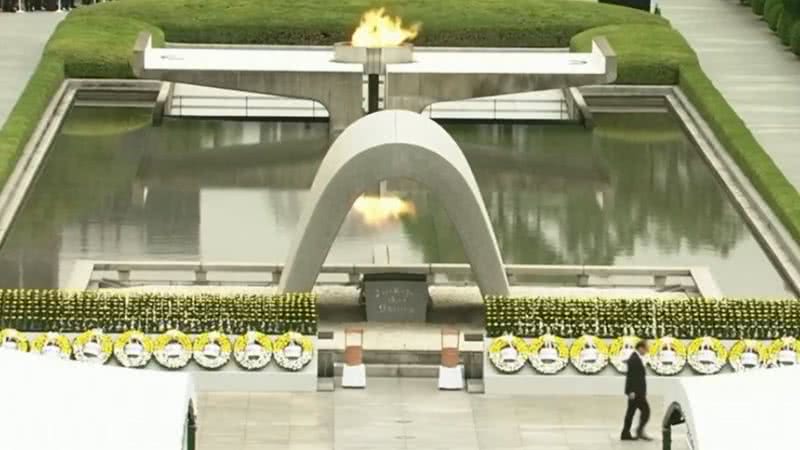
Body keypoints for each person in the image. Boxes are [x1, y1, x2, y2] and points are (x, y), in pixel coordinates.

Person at [621, 339, 652, 441]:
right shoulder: (634, 359)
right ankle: (639, 431)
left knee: (630, 413)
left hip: (636, 392)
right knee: (646, 411)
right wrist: (631, 391)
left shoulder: (636, 358)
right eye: (645, 348)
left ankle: (626, 433)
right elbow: (632, 377)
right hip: (636, 393)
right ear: (640, 348)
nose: (647, 350)